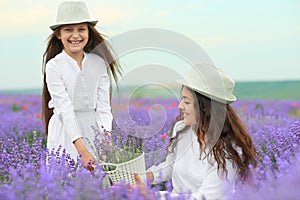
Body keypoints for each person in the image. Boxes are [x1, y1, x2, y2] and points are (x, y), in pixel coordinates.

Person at [134, 64, 257, 200]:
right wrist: (146, 177)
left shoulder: (228, 151)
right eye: (182, 99)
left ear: (204, 107)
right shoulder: (182, 129)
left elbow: (205, 197)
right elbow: (171, 165)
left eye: (186, 102)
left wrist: (152, 196)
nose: (180, 106)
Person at [42, 1, 121, 169]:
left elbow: (103, 107)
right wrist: (81, 150)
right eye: (68, 30)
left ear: (89, 32)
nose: (75, 35)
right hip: (65, 132)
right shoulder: (54, 66)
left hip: (92, 129)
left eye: (81, 29)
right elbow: (64, 108)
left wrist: (106, 137)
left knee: (95, 184)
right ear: (58, 34)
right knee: (64, 182)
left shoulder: (99, 63)